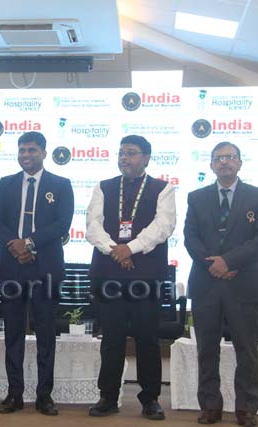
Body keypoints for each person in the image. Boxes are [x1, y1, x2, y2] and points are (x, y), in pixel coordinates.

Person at [85, 134, 175, 420]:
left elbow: (163, 226)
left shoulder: (163, 188)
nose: (124, 158)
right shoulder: (104, 187)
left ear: (146, 158)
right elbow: (92, 226)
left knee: (147, 338)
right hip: (109, 274)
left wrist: (130, 248)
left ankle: (150, 399)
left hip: (145, 276)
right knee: (111, 338)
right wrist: (115, 250)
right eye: (121, 153)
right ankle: (108, 396)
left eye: (132, 153)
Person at [184, 142, 258, 427]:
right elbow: (190, 238)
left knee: (247, 350)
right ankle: (210, 405)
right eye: (219, 158)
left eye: (230, 157)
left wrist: (229, 262)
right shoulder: (196, 197)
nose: (224, 162)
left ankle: (246, 408)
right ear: (211, 165)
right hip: (206, 283)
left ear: (240, 163)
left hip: (243, 283)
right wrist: (213, 265)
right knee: (206, 349)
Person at [0, 131, 74, 416]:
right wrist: (15, 245)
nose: (26, 155)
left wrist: (29, 243)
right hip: (11, 266)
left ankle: (44, 396)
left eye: (32, 150)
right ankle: (14, 394)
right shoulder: (5, 184)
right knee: (13, 333)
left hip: (45, 268)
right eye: (22, 150)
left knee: (46, 334)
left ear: (44, 153)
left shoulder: (61, 185)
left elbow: (62, 224)